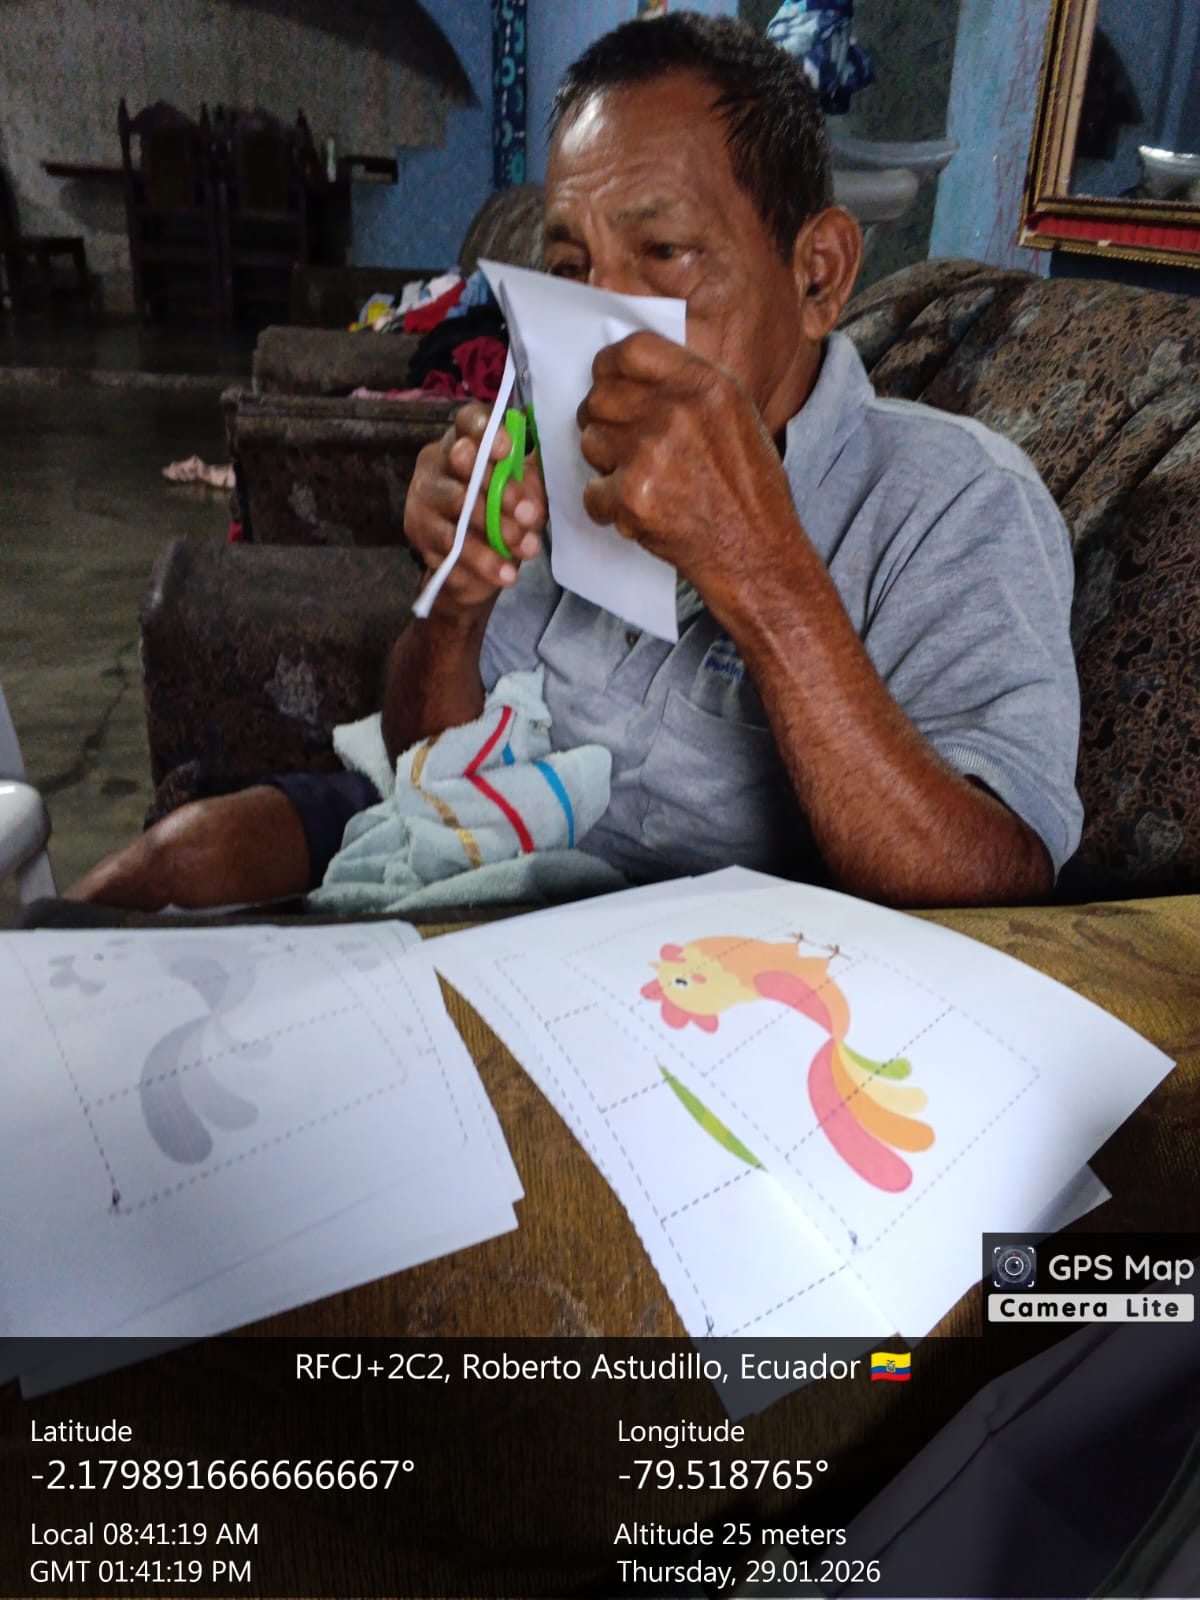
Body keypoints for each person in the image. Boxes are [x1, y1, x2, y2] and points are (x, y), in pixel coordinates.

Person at [69, 14, 1081, 914]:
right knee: (170, 863)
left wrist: (760, 565)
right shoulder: (564, 441)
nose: (603, 316)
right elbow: (430, 756)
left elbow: (994, 880)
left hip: (663, 947)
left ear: (817, 275)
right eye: (569, 267)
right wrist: (456, 600)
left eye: (664, 253)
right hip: (476, 842)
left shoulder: (955, 499)